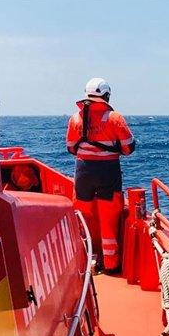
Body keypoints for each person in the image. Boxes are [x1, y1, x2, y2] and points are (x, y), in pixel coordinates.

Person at [65, 78, 135, 273]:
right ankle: (111, 265)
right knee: (109, 216)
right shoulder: (114, 118)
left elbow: (71, 148)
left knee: (83, 216)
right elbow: (129, 148)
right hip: (107, 172)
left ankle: (86, 261)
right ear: (106, 95)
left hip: (83, 172)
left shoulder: (75, 119)